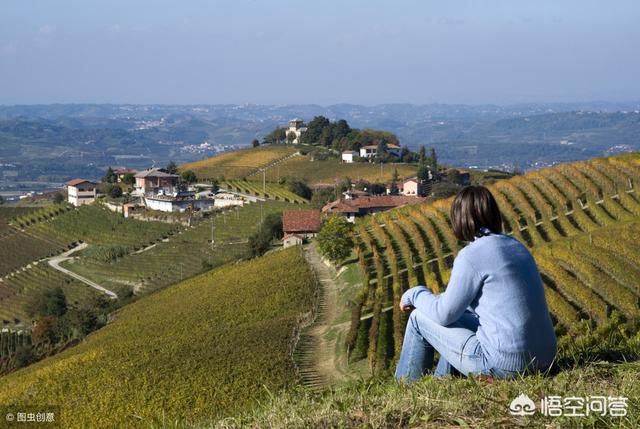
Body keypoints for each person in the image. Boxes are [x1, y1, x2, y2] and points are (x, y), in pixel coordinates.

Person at [395, 186, 557, 382]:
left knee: (418, 318)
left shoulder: (472, 255)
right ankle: (442, 383)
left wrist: (415, 294)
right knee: (460, 317)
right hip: (546, 359)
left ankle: (406, 387)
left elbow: (443, 314)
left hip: (506, 365)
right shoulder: (516, 246)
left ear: (460, 218)